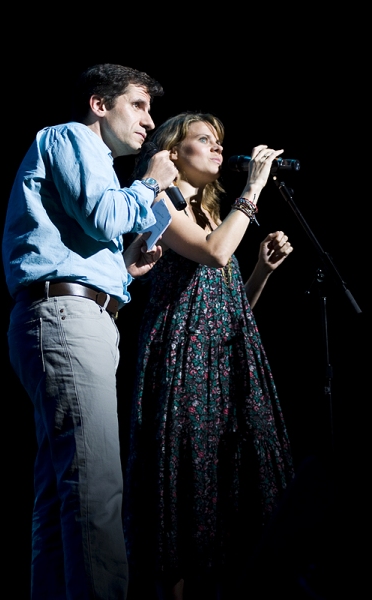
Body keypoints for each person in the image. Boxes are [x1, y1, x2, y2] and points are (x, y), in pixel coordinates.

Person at [1, 63, 179, 600]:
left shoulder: (91, 158)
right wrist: (151, 182)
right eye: (139, 105)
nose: (150, 122)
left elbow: (86, 235)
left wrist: (123, 268)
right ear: (100, 104)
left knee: (62, 494)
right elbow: (104, 215)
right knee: (95, 484)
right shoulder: (73, 137)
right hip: (66, 318)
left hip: (71, 315)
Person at [121, 112, 296, 599]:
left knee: (234, 484)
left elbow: (229, 304)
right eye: (206, 140)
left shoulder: (217, 217)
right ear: (173, 153)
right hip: (182, 361)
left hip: (227, 358)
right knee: (186, 488)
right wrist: (254, 188)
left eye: (221, 142)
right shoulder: (161, 203)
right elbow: (215, 254)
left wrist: (259, 271)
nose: (219, 150)